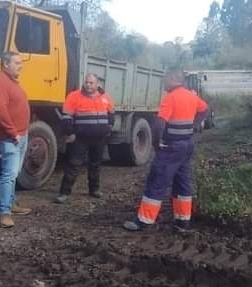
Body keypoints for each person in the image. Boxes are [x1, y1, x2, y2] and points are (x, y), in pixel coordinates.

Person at [124, 69, 209, 232]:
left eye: (165, 80)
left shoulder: (170, 98)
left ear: (172, 79)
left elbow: (160, 123)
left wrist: (156, 143)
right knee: (182, 183)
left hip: (171, 147)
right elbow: (205, 110)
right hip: (187, 145)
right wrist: (193, 124)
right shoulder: (191, 96)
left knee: (156, 181)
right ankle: (183, 221)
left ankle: (144, 221)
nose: (164, 83)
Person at [55, 73, 114, 204]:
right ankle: (64, 192)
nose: (88, 85)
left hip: (99, 138)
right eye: (86, 82)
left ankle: (94, 190)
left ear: (97, 84)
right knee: (73, 164)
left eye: (91, 83)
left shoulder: (105, 97)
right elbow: (66, 117)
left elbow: (111, 114)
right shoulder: (74, 96)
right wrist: (70, 133)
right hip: (80, 138)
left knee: (96, 164)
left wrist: (109, 128)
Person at [0, 52, 33, 228]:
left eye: (21, 62)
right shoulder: (0, 82)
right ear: (6, 64)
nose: (20, 65)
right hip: (11, 137)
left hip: (20, 134)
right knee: (8, 174)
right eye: (17, 62)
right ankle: (4, 213)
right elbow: (0, 110)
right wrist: (12, 132)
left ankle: (12, 204)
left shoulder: (11, 82)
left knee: (14, 173)